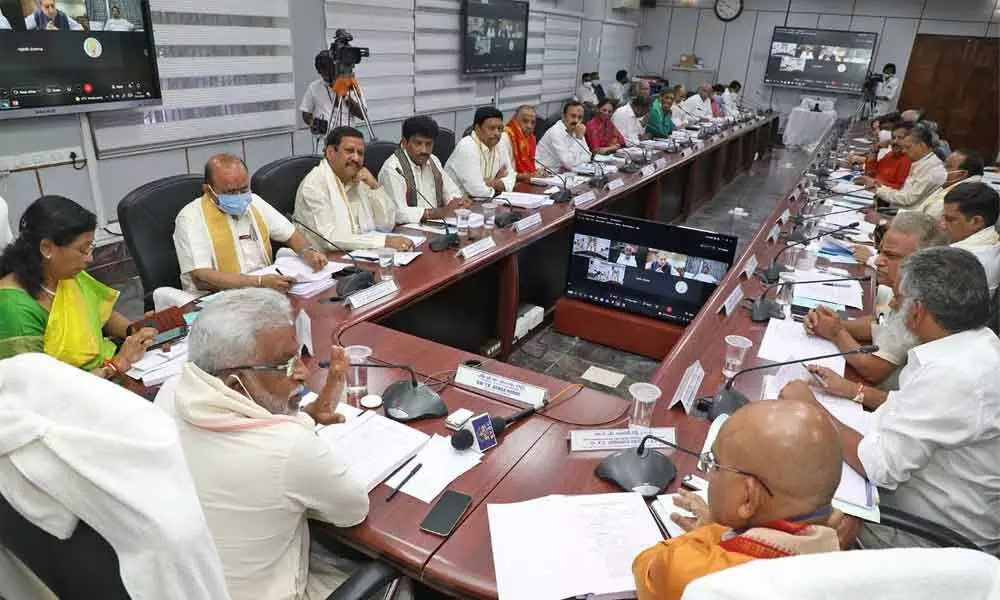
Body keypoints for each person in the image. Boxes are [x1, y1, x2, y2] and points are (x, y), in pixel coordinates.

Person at [162, 289, 376, 600]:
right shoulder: (287, 447)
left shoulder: (170, 393)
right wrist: (301, 427)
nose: (303, 374)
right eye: (284, 365)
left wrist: (307, 418)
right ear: (236, 383)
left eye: (299, 356)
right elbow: (352, 511)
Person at [784, 247, 1000, 554]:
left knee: (777, 486)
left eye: (899, 298)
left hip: (920, 539)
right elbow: (909, 412)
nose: (894, 304)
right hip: (915, 512)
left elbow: (878, 467)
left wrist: (811, 409)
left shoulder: (953, 375)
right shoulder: (976, 346)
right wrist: (851, 390)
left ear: (918, 311)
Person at [632, 398, 842, 600]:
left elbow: (648, 567)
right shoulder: (837, 558)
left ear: (747, 499)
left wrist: (715, 527)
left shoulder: (703, 577)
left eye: (714, 464)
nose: (710, 473)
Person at [0, 196, 157, 376]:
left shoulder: (67, 275)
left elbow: (101, 314)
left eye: (91, 247)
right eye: (83, 249)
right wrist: (115, 365)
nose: (90, 258)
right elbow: (40, 390)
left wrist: (136, 332)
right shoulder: (14, 309)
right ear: (47, 248)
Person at [806, 212, 947, 401]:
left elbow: (873, 370)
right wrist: (832, 323)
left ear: (923, 265)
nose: (878, 260)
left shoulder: (919, 308)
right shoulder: (897, 290)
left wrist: (836, 333)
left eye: (891, 256)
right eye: (880, 251)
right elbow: (878, 324)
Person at [171, 154, 327, 299]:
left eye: (244, 189)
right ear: (208, 190)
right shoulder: (190, 217)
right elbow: (201, 278)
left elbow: (290, 234)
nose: (239, 196)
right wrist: (258, 282)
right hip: (216, 299)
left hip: (264, 291)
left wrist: (308, 252)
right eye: (231, 192)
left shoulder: (254, 202)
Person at [294, 127, 412, 252]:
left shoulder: (359, 178)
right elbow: (329, 239)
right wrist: (384, 242)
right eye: (349, 151)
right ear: (330, 153)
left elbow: (387, 223)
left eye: (360, 153)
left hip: (360, 256)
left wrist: (374, 185)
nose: (356, 158)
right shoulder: (314, 185)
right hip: (325, 261)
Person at [378, 116, 470, 225]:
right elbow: (397, 213)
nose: (424, 150)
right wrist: (438, 212)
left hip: (437, 226)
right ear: (404, 142)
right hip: (407, 232)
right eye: (418, 143)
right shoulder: (393, 169)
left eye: (428, 144)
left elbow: (451, 192)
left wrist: (459, 202)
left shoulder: (433, 161)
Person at [867, 125, 946, 209]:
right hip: (896, 210)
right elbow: (904, 195)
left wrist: (877, 188)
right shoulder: (920, 163)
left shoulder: (932, 170)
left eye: (908, 147)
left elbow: (907, 199)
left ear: (922, 146)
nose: (904, 151)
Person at [940, 182, 1000, 292]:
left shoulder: (959, 261)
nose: (943, 225)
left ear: (976, 222)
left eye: (950, 219)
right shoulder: (993, 243)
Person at [444, 106, 516, 197]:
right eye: (492, 128)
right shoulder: (467, 146)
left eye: (500, 128)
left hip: (485, 202)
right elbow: (477, 191)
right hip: (460, 204)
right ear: (477, 128)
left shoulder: (500, 143)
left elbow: (512, 177)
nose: (497, 133)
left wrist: (492, 183)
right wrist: (499, 186)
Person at [910, 148, 985, 217]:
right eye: (944, 164)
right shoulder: (947, 185)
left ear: (961, 174)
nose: (942, 169)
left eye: (948, 166)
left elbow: (929, 221)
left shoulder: (962, 197)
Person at [535, 101, 591, 172]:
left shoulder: (577, 129)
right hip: (544, 172)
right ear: (563, 117)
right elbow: (569, 163)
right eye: (573, 116)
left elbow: (588, 155)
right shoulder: (555, 132)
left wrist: (574, 161)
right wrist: (579, 138)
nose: (576, 120)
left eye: (580, 117)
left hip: (562, 172)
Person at [855, 124, 912, 190]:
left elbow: (900, 188)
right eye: (893, 138)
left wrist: (874, 182)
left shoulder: (907, 160)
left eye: (900, 138)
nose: (895, 141)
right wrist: (874, 150)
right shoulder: (890, 155)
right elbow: (870, 173)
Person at [500, 105, 543, 183]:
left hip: (525, 181)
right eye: (525, 121)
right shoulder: (505, 137)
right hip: (510, 184)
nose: (529, 126)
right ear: (515, 120)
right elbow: (505, 173)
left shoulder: (531, 138)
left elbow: (535, 161)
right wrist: (529, 175)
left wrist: (540, 170)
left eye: (533, 122)